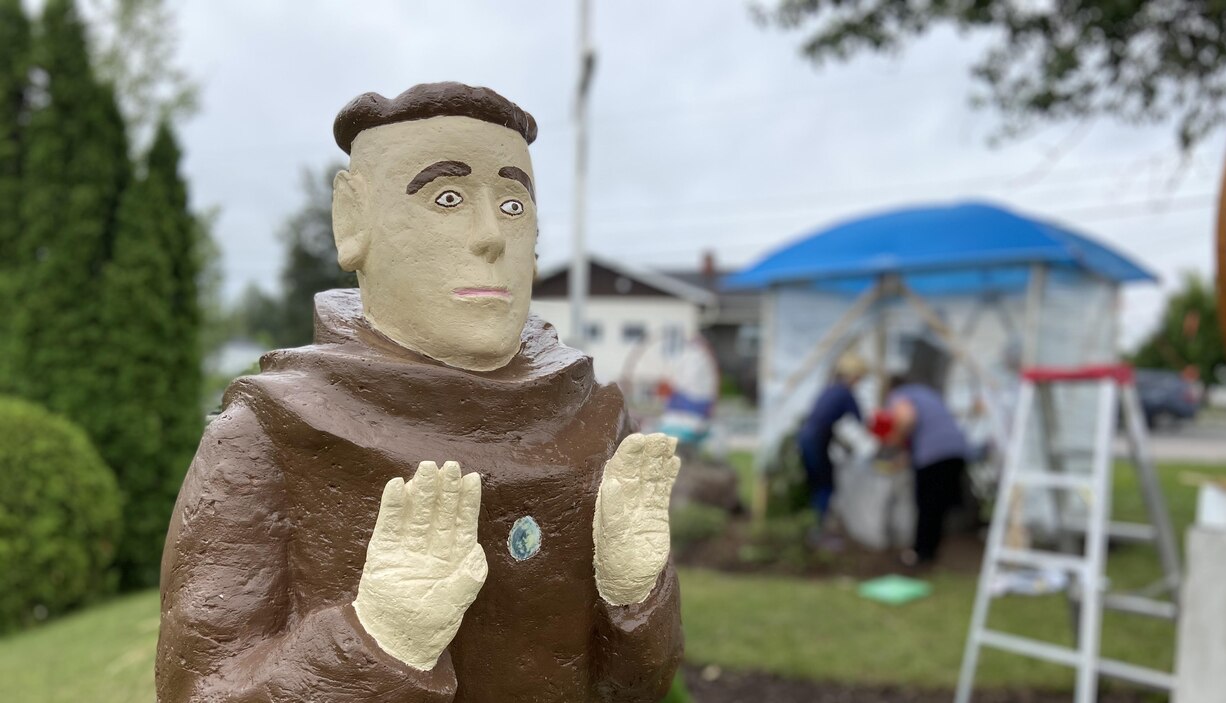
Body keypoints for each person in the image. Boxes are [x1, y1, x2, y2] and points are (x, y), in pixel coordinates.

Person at [156, 83, 683, 702]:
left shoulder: (592, 421)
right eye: (448, 197)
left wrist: (634, 595)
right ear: (353, 222)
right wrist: (377, 636)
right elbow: (199, 689)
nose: (492, 236)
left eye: (514, 204)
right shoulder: (268, 435)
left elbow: (633, 688)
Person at [882, 375, 970, 567]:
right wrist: (903, 458)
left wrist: (893, 439)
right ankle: (930, 553)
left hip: (933, 456)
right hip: (958, 450)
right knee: (939, 507)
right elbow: (928, 430)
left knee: (926, 505)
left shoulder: (899, 395)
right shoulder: (927, 394)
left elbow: (906, 419)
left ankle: (920, 553)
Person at [798, 353, 868, 532]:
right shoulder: (845, 393)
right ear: (852, 376)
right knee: (826, 484)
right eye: (858, 378)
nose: (858, 382)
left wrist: (840, 442)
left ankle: (813, 524)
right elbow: (862, 422)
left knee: (816, 483)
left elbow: (822, 420)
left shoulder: (829, 389)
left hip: (806, 438)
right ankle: (820, 529)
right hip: (815, 441)